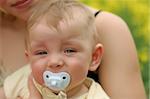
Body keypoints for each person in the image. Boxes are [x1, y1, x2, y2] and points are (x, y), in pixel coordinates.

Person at [0, 0, 146, 99]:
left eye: (69, 50)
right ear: (29, 58)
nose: (54, 62)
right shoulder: (22, 78)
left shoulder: (106, 28)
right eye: (41, 53)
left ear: (94, 57)